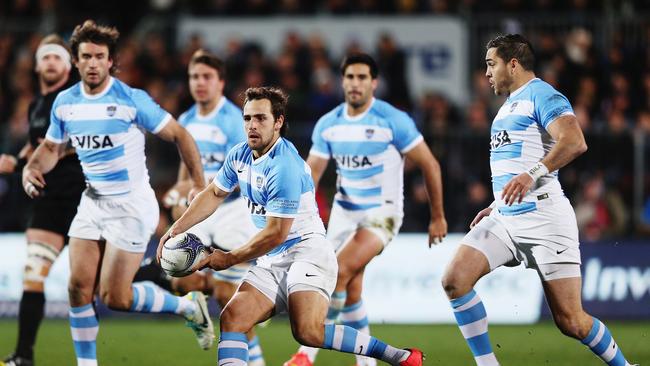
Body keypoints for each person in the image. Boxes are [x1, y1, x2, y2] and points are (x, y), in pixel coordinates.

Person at [157, 86, 424, 366]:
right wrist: (175, 229)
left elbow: (276, 233)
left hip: (308, 253)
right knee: (233, 318)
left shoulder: (284, 165)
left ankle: (399, 357)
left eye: (260, 118)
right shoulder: (240, 155)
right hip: (273, 259)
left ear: (279, 122)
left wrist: (230, 258)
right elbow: (213, 194)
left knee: (307, 332)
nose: (252, 125)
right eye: (247, 118)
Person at [21, 20, 213, 366]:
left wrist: (198, 185)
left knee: (116, 298)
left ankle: (186, 306)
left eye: (100, 56)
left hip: (131, 206)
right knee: (78, 287)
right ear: (75, 62)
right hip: (92, 201)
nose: (93, 63)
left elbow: (182, 136)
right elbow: (50, 148)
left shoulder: (131, 99)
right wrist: (31, 168)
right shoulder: (65, 103)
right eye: (86, 57)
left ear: (111, 61)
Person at [441, 34, 636, 366]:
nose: (487, 73)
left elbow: (574, 141)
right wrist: (497, 202)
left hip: (544, 217)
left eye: (491, 64)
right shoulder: (507, 105)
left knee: (571, 321)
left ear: (512, 64)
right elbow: (514, 165)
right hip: (505, 216)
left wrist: (531, 175)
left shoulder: (542, 94)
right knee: (454, 280)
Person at [286, 53, 447, 366]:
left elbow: (430, 164)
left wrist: (437, 216)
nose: (355, 84)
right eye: (350, 77)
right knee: (353, 289)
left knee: (338, 272)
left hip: (382, 214)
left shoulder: (393, 120)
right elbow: (312, 174)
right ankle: (370, 361)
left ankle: (306, 355)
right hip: (344, 214)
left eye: (362, 78)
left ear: (374, 83)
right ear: (342, 81)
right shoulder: (329, 124)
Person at [134, 49, 266, 365]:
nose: (199, 83)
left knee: (228, 299)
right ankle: (194, 305)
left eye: (207, 77)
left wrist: (204, 186)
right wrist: (179, 193)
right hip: (204, 211)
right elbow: (185, 172)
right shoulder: (188, 120)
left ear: (220, 82)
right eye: (194, 77)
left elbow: (243, 174)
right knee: (179, 277)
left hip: (234, 211)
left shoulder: (234, 120)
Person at [0, 34, 85, 366]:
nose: (50, 62)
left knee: (107, 287)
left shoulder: (75, 99)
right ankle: (24, 355)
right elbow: (35, 145)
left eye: (57, 57)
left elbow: (71, 144)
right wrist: (14, 159)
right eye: (45, 57)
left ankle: (179, 298)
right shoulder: (37, 104)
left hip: (82, 197)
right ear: (37, 65)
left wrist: (31, 159)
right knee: (33, 273)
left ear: (68, 66)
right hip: (48, 200)